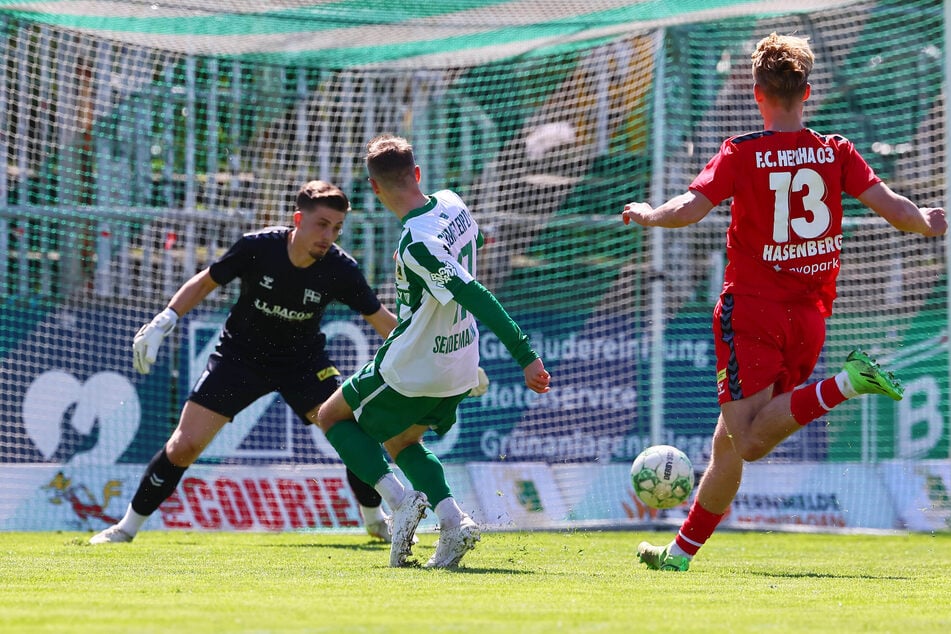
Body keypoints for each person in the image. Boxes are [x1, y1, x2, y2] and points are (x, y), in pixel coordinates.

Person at [621, 32, 947, 571]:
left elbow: (692, 206)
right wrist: (928, 223)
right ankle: (680, 554)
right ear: (807, 92)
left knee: (747, 441)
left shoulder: (742, 151)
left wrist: (651, 214)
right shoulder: (836, 151)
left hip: (751, 312)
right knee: (728, 443)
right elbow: (894, 208)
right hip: (809, 318)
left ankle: (847, 383)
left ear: (757, 94)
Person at [90, 180, 401, 544]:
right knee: (184, 446)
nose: (328, 236)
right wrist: (165, 319)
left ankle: (374, 519)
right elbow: (206, 282)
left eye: (336, 228)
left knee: (352, 434)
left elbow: (381, 320)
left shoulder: (340, 268)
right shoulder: (258, 247)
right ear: (298, 219)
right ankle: (125, 528)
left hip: (303, 363)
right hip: (240, 358)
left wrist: (430, 351)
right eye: (321, 225)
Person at [316, 134, 551, 568]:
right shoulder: (452, 203)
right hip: (460, 362)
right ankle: (454, 521)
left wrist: (525, 355)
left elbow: (474, 293)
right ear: (418, 173)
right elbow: (476, 245)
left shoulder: (416, 243)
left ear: (374, 188)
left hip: (414, 363)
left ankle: (400, 502)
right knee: (403, 441)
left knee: (330, 416)